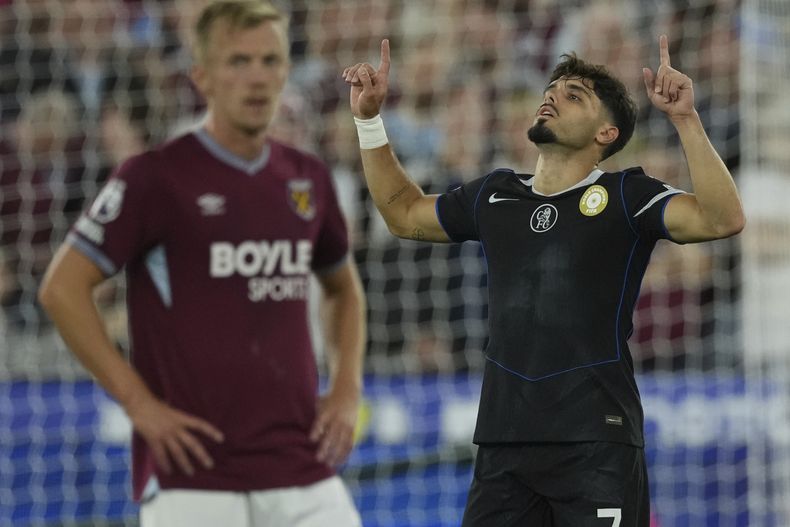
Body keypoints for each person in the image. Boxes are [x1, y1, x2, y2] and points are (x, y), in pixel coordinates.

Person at [344, 34, 744, 526]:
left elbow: (722, 219)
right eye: (552, 89)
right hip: (503, 441)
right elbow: (403, 214)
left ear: (606, 134)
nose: (552, 95)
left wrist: (684, 119)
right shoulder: (495, 194)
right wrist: (368, 120)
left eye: (574, 94)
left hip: (597, 441)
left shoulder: (626, 194)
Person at [39, 2, 365, 526]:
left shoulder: (308, 177)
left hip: (301, 468)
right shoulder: (154, 178)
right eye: (238, 62)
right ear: (202, 77)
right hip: (192, 478)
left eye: (270, 61)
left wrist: (347, 389)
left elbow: (342, 288)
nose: (257, 78)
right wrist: (139, 406)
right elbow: (61, 289)